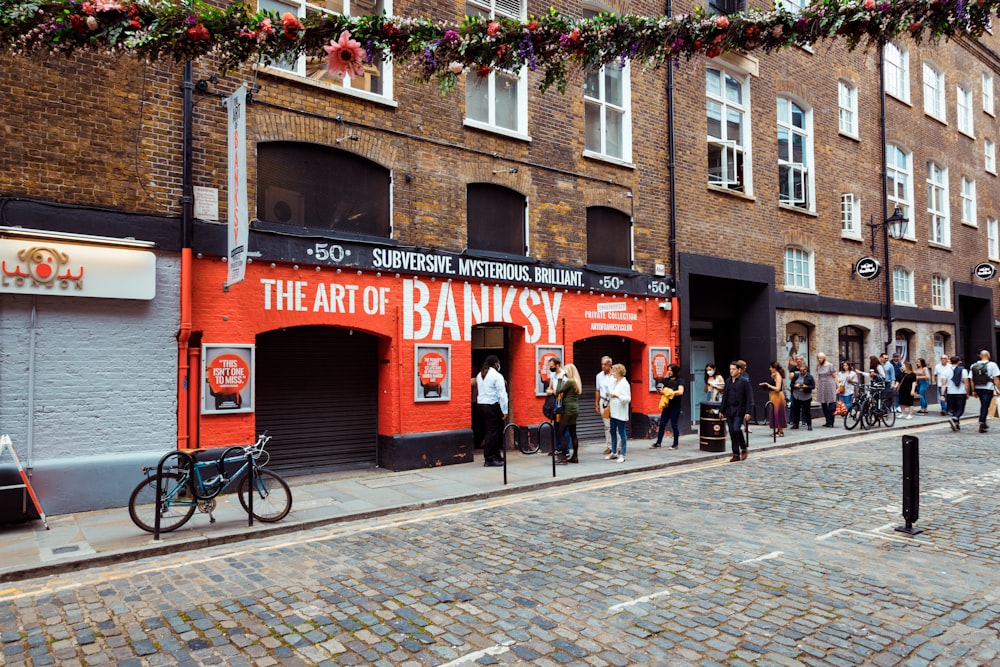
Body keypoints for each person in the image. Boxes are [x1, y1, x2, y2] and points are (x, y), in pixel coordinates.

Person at [475, 355, 508, 467]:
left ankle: (496, 455)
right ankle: (489, 459)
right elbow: (502, 395)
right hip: (492, 406)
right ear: (495, 364)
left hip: (481, 405)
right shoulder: (497, 376)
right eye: (498, 362)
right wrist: (505, 410)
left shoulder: (480, 375)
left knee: (492, 431)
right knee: (492, 433)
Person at [720, 361, 754, 461]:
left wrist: (748, 412)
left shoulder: (744, 382)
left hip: (740, 410)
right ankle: (735, 454)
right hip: (729, 410)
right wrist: (721, 410)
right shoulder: (728, 381)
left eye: (733, 369)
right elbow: (725, 397)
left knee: (736, 429)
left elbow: (749, 398)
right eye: (730, 369)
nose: (731, 371)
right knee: (731, 431)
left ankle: (743, 447)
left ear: (739, 370)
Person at [552, 363, 583, 463]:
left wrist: (560, 379)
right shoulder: (576, 382)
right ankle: (575, 456)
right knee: (573, 433)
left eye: (565, 371)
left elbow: (557, 391)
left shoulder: (569, 381)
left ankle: (563, 456)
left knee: (561, 432)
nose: (564, 372)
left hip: (568, 410)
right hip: (575, 409)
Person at [652, 363, 685, 449]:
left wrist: (670, 393)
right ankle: (658, 443)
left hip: (675, 406)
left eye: (671, 370)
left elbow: (681, 391)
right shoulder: (665, 380)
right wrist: (659, 390)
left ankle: (675, 444)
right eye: (668, 370)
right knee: (662, 424)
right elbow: (660, 389)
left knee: (674, 425)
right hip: (666, 406)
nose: (669, 372)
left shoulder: (680, 381)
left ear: (675, 371)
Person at [545, 357, 572, 458]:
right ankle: (558, 448)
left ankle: (566, 450)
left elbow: (561, 391)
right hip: (556, 403)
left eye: (552, 367)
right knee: (556, 426)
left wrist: (552, 392)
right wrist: (550, 390)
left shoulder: (564, 376)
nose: (550, 368)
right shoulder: (553, 374)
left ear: (557, 365)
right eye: (549, 367)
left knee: (565, 427)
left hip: (563, 403)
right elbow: (551, 387)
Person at [970, 350, 1000, 433]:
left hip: (978, 388)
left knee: (983, 404)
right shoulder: (992, 365)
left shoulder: (973, 365)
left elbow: (971, 379)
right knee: (985, 406)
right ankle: (982, 422)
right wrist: (999, 389)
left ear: (980, 356)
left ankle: (984, 423)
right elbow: (996, 378)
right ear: (988, 355)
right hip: (988, 387)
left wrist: (973, 390)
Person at [606, 364, 631, 463]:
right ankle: (614, 452)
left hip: (621, 412)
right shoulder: (614, 382)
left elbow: (628, 399)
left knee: (622, 433)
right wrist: (610, 395)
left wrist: (617, 396)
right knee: (612, 431)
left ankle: (623, 454)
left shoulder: (625, 384)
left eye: (614, 371)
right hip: (613, 411)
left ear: (619, 372)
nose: (612, 373)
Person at [759, 361, 787, 437]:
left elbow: (778, 388)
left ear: (774, 368)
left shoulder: (778, 376)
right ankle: (777, 430)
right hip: (774, 396)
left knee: (778, 413)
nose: (769, 369)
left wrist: (768, 385)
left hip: (777, 396)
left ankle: (780, 432)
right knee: (775, 413)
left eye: (771, 367)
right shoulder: (775, 375)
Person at [595, 356, 616, 455]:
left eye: (605, 365)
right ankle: (609, 446)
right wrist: (596, 404)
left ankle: (618, 446)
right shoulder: (599, 376)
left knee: (616, 424)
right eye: (602, 364)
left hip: (615, 401)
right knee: (607, 426)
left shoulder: (616, 375)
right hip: (604, 401)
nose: (603, 366)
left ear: (610, 365)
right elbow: (598, 390)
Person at [945, 355, 970, 431]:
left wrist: (942, 394)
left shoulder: (946, 371)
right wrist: (968, 393)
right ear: (959, 362)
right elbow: (966, 383)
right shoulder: (963, 371)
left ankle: (956, 424)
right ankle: (955, 418)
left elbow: (943, 384)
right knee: (960, 409)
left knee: (954, 409)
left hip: (950, 392)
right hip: (961, 392)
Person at [789, 362, 815, 431]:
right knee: (796, 411)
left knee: (807, 411)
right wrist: (795, 386)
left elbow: (813, 386)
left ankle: (809, 425)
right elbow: (791, 385)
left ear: (806, 369)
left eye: (803, 370)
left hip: (806, 397)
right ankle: (795, 424)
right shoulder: (796, 376)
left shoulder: (810, 377)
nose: (802, 372)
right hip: (797, 396)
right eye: (801, 370)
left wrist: (806, 387)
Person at [814, 353, 837, 427]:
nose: (819, 359)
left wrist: (839, 386)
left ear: (824, 358)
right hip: (822, 385)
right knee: (823, 404)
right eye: (818, 358)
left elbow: (835, 376)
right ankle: (827, 421)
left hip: (830, 384)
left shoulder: (830, 365)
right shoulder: (818, 366)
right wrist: (817, 385)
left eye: (821, 358)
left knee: (832, 403)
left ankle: (831, 421)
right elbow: (819, 377)